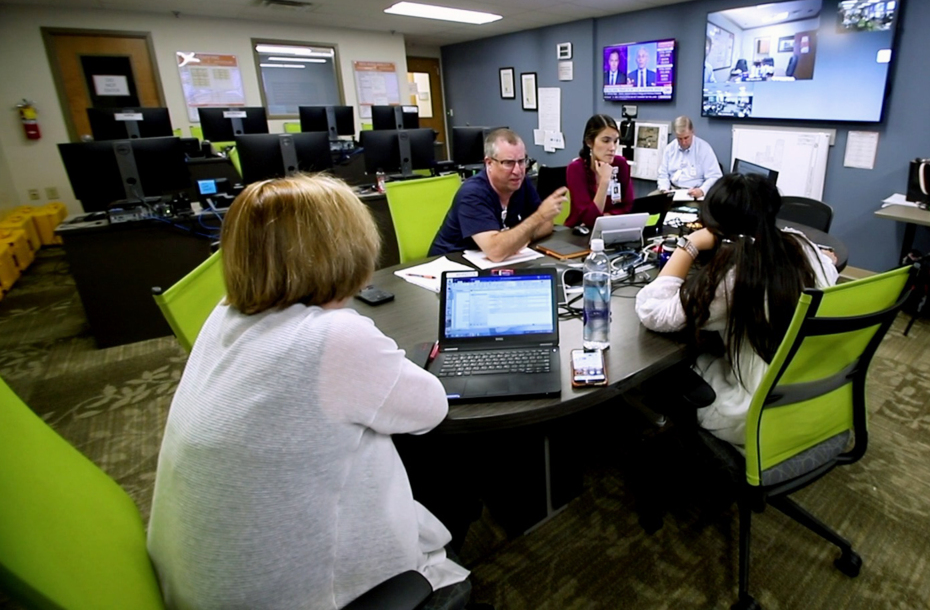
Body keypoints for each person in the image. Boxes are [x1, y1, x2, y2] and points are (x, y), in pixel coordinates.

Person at [147, 174, 473, 610]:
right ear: (345, 247)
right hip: (291, 594)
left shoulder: (223, 315)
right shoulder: (333, 337)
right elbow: (431, 408)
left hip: (203, 579)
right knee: (442, 461)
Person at [635, 174, 839, 448]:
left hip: (754, 413)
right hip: (818, 395)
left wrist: (690, 244)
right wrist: (824, 256)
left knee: (675, 369)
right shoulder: (803, 247)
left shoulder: (733, 277)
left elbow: (652, 311)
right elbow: (830, 266)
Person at [429, 128, 566, 261]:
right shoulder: (472, 193)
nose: (518, 171)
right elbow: (496, 252)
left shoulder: (520, 183)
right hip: (451, 266)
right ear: (489, 163)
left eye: (522, 161)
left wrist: (522, 238)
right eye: (508, 163)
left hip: (491, 264)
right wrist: (538, 217)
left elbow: (547, 224)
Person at [565, 114, 636, 228]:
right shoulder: (576, 169)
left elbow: (629, 206)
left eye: (615, 141)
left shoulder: (621, 164)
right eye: (606, 141)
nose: (612, 147)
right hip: (579, 234)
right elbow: (589, 220)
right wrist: (604, 181)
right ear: (589, 142)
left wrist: (609, 216)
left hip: (613, 227)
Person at [656, 115, 723, 199]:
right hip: (671, 190)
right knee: (649, 204)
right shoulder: (670, 149)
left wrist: (702, 190)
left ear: (692, 132)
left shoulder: (704, 149)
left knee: (687, 211)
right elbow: (663, 174)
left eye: (686, 138)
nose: (683, 142)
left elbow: (715, 176)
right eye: (679, 139)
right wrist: (664, 189)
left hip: (693, 193)